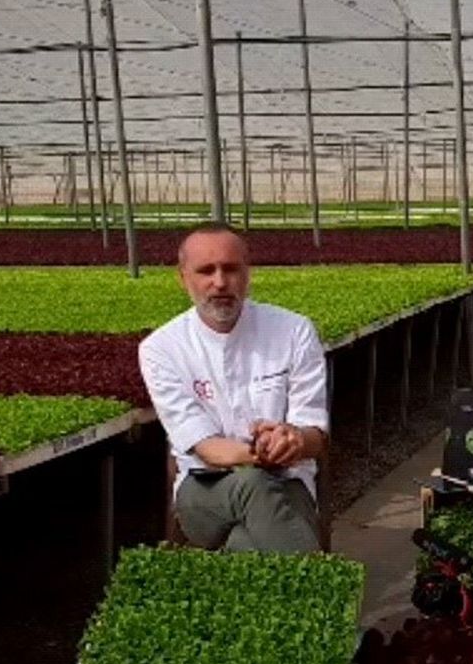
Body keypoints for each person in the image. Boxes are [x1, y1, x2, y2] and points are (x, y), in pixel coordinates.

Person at [138, 224, 329, 553]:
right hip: (204, 490)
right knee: (252, 484)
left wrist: (293, 439)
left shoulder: (293, 330)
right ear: (183, 278)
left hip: (289, 483)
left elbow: (316, 435)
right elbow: (207, 449)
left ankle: (300, 595)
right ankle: (323, 595)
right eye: (206, 271)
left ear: (247, 272)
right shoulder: (162, 348)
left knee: (246, 544)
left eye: (230, 268)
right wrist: (265, 452)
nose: (220, 282)